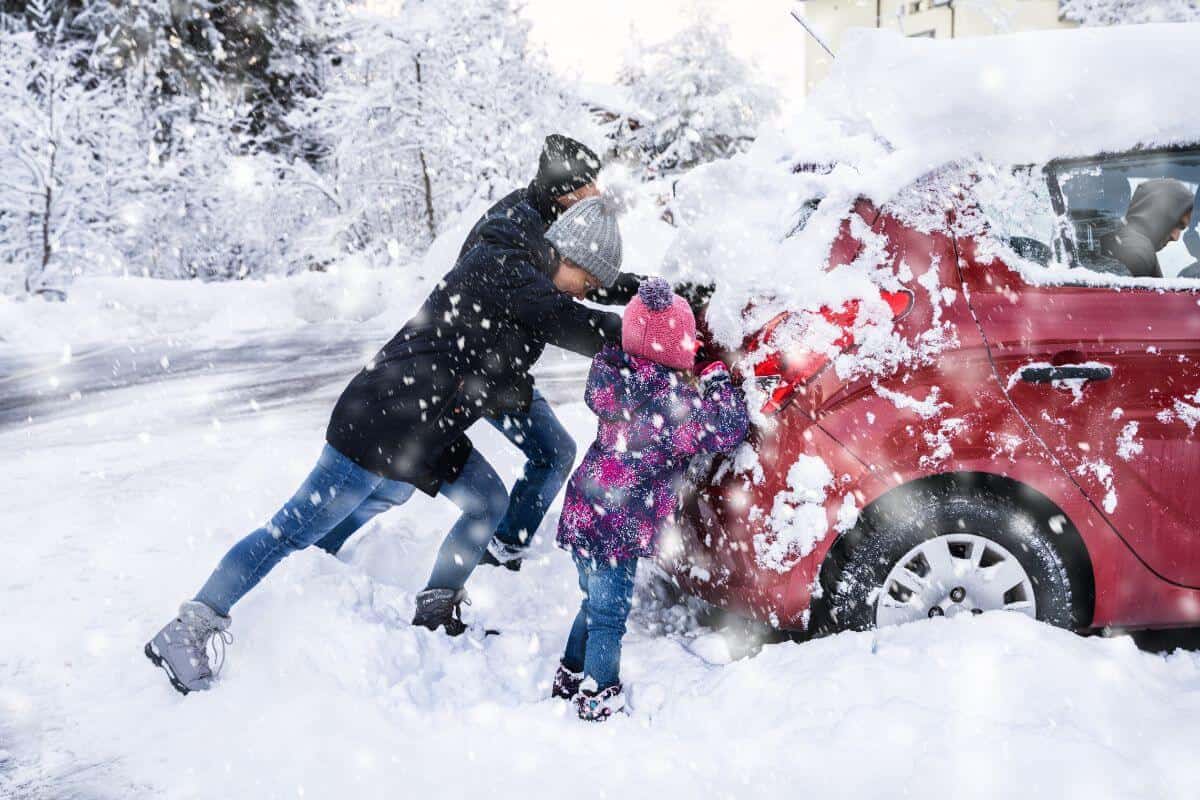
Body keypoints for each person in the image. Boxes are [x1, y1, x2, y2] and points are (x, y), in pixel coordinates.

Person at [144, 190, 627, 695]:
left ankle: (435, 607)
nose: (583, 293)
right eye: (585, 281)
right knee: (291, 530)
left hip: (426, 430)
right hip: (378, 422)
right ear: (566, 253)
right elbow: (567, 320)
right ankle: (189, 627)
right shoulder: (507, 265)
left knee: (486, 501)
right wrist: (637, 334)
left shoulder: (534, 282)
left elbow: (540, 331)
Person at [318, 134, 644, 572]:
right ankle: (317, 555)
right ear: (566, 193)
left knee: (553, 452)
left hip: (499, 367)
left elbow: (587, 275)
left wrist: (645, 294)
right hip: (475, 372)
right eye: (590, 187)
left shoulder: (559, 228)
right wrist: (637, 337)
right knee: (390, 484)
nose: (598, 195)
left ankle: (503, 545)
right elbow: (552, 310)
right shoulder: (511, 229)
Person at [551, 278, 750, 722]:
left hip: (585, 511)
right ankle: (600, 693)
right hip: (615, 526)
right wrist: (716, 378)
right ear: (676, 347)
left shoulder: (615, 381)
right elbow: (727, 427)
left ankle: (570, 674)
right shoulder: (672, 407)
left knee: (593, 603)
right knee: (609, 616)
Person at [1101, 178, 1194, 278]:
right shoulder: (1138, 255)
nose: (1176, 237)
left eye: (1182, 229)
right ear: (1157, 212)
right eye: (1176, 223)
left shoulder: (1123, 242)